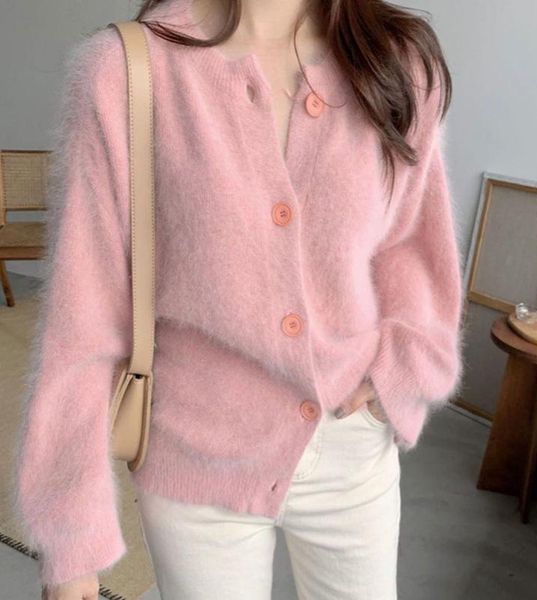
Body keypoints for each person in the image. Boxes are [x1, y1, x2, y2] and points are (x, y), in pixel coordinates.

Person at [12, 0, 465, 598]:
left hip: (351, 447)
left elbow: (411, 245)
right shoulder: (126, 70)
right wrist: (70, 540)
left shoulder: (397, 62)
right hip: (195, 461)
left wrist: (403, 365)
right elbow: (84, 311)